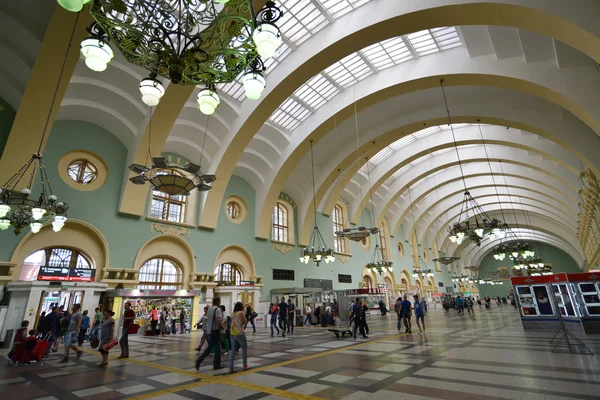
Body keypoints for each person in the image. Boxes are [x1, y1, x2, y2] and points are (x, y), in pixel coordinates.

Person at [196, 297, 225, 371]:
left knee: (210, 347)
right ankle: (216, 364)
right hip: (215, 330)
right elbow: (218, 320)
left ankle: (199, 360)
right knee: (217, 348)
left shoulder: (210, 309)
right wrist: (221, 327)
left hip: (209, 330)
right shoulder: (217, 309)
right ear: (218, 301)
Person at [229, 302, 250, 373]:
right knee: (244, 349)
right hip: (239, 332)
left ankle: (231, 368)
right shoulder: (241, 313)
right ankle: (245, 365)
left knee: (232, 350)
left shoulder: (233, 313)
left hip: (232, 333)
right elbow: (245, 321)